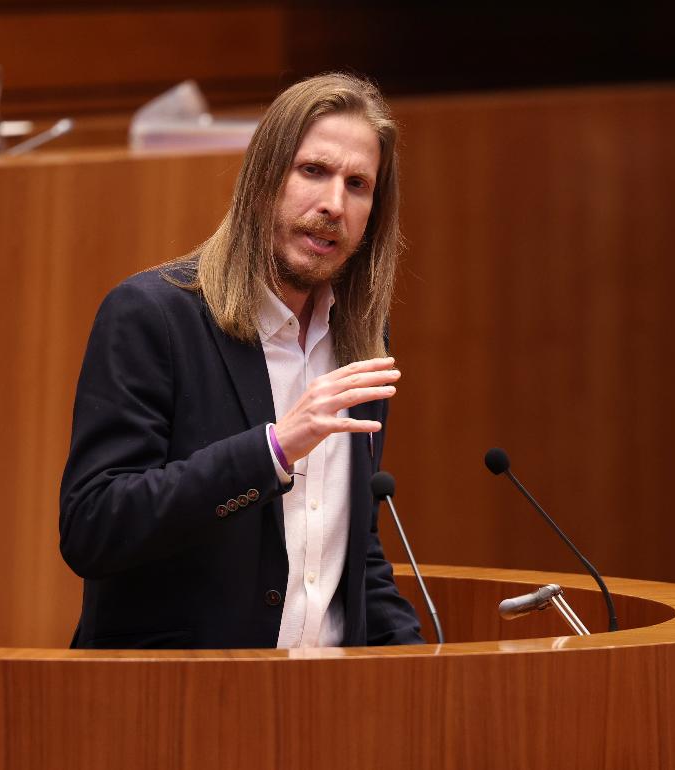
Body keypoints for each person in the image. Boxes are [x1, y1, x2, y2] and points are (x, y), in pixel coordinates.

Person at [59, 73, 424, 650]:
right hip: (176, 703)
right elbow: (95, 526)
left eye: (358, 184)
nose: (334, 203)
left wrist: (426, 668)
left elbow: (349, 553)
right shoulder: (154, 317)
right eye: (313, 171)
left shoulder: (359, 337)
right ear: (261, 181)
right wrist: (271, 452)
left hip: (325, 707)